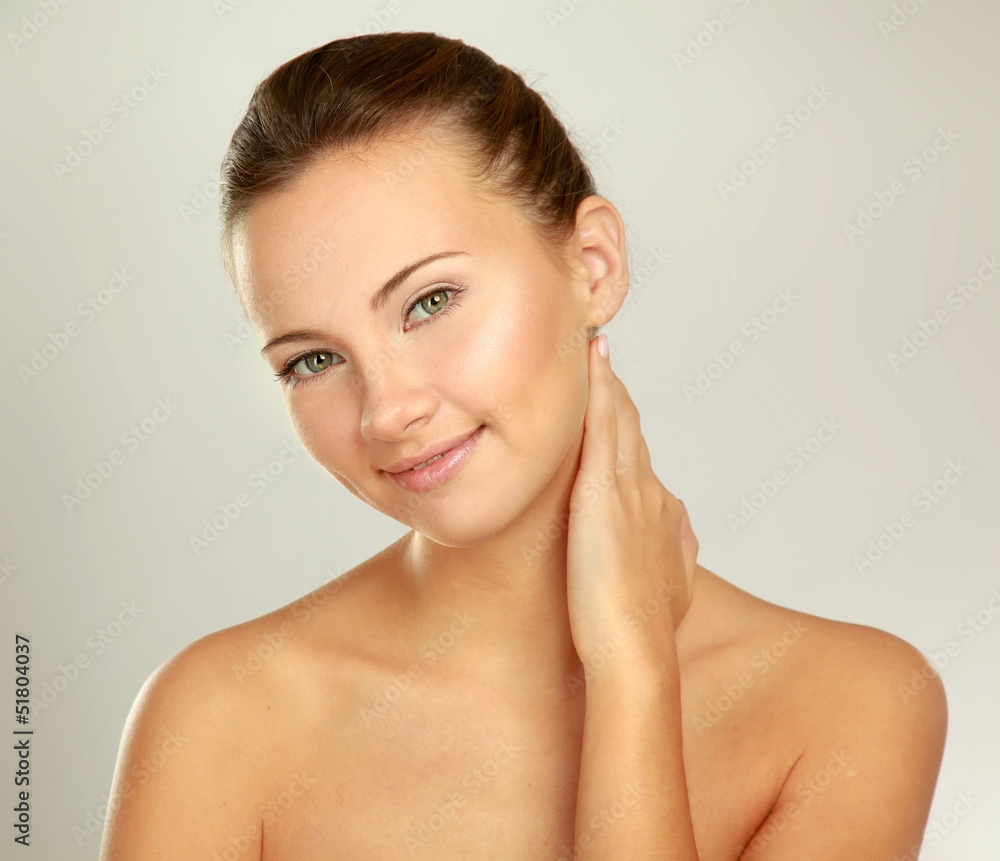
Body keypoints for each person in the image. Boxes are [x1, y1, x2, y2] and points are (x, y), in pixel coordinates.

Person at [100, 31, 946, 860]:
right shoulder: (216, 720)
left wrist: (632, 665)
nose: (386, 411)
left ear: (593, 264)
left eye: (430, 302)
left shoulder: (853, 706)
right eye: (313, 360)